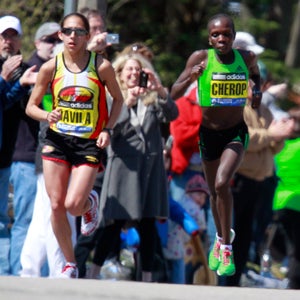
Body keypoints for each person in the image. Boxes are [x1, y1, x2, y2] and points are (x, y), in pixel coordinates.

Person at [25, 12, 123, 279]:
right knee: (55, 205)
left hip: (88, 143)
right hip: (56, 139)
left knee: (72, 204)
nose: (73, 36)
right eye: (68, 31)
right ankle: (70, 263)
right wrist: (47, 115)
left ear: (87, 36)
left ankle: (89, 204)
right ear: (60, 35)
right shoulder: (50, 67)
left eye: (79, 32)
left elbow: (118, 99)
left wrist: (107, 129)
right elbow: (31, 106)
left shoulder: (101, 66)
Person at [170, 13, 262, 277]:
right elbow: (173, 92)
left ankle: (226, 247)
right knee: (213, 192)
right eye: (215, 35)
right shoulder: (200, 58)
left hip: (235, 132)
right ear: (209, 38)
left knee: (223, 183)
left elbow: (255, 76)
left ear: (233, 36)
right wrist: (191, 77)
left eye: (226, 34)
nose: (221, 38)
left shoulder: (246, 58)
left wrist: (256, 93)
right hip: (208, 133)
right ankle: (221, 240)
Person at [96, 52, 178, 283]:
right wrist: (127, 103)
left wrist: (160, 90)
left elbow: (172, 114)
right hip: (123, 170)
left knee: (148, 225)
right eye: (129, 70)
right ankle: (93, 270)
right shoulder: (113, 98)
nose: (134, 74)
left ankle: (146, 278)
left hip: (150, 170)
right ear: (120, 75)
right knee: (114, 224)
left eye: (138, 70)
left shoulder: (153, 100)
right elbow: (110, 130)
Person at [223, 80, 294, 286]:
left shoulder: (262, 109)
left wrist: (280, 136)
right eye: (250, 84)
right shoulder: (236, 107)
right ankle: (222, 281)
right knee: (232, 233)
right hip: (239, 180)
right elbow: (242, 138)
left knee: (247, 235)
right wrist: (271, 135)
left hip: (258, 182)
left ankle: (234, 281)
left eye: (257, 86)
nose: (255, 89)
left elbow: (270, 149)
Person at [19, 24, 75, 278]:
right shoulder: (54, 76)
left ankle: (30, 270)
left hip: (66, 151)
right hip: (53, 151)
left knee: (45, 213)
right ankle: (57, 269)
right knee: (56, 211)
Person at [0, 15, 37, 275]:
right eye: (3, 35)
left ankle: (7, 277)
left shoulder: (24, 70)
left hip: (8, 157)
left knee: (4, 221)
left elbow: (5, 103)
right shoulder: (6, 72)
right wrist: (3, 78)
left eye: (13, 36)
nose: (7, 41)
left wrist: (22, 85)